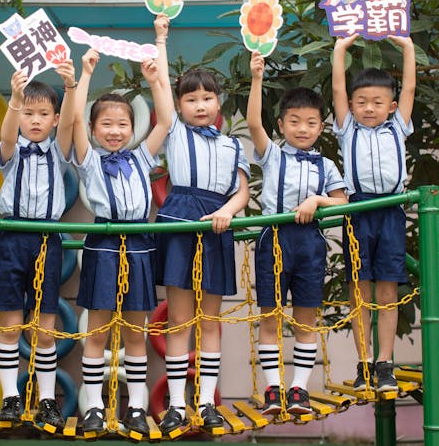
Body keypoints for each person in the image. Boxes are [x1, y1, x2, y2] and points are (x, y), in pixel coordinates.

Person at [71, 16, 173, 436]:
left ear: (132, 130)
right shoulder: (89, 159)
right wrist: (86, 74)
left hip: (140, 245)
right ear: (95, 131)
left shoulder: (141, 158)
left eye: (122, 125)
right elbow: (73, 120)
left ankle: (135, 406)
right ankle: (92, 405)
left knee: (135, 329)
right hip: (103, 241)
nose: (115, 131)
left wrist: (154, 79)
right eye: (106, 125)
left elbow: (165, 120)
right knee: (97, 329)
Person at [247, 51, 348, 415]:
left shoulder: (327, 164)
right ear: (282, 124)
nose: (302, 129)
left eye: (310, 122)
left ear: (321, 127)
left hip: (310, 244)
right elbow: (253, 124)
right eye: (294, 122)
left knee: (307, 316)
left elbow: (343, 203)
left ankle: (299, 389)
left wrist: (318, 200)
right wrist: (257, 78)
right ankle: (274, 388)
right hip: (273, 240)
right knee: (270, 315)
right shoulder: (273, 155)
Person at [154, 57, 250, 433]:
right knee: (179, 319)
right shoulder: (174, 131)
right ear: (179, 106)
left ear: (219, 103)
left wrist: (226, 210)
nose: (199, 105)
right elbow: (160, 84)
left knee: (210, 320)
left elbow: (241, 192)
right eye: (191, 99)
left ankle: (207, 401)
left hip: (216, 224)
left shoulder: (233, 146)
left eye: (207, 97)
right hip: (180, 220)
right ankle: (177, 404)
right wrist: (161, 40)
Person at [0, 62, 77, 429]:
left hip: (47, 239)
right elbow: (8, 136)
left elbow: (72, 125)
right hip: (11, 238)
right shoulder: (10, 151)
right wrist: (14, 98)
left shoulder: (58, 151)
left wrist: (70, 87)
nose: (36, 120)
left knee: (44, 328)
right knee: (10, 325)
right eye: (29, 113)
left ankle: (45, 399)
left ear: (55, 118)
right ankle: (10, 396)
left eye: (44, 114)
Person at [331, 34, 415, 392]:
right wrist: (340, 49)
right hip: (359, 211)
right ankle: (364, 359)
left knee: (387, 291)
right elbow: (336, 88)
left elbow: (410, 86)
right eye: (361, 102)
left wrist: (407, 47)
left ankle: (385, 362)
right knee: (359, 289)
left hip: (390, 211)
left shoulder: (399, 126)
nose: (368, 108)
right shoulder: (347, 128)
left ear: (392, 106)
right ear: (351, 105)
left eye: (377, 102)